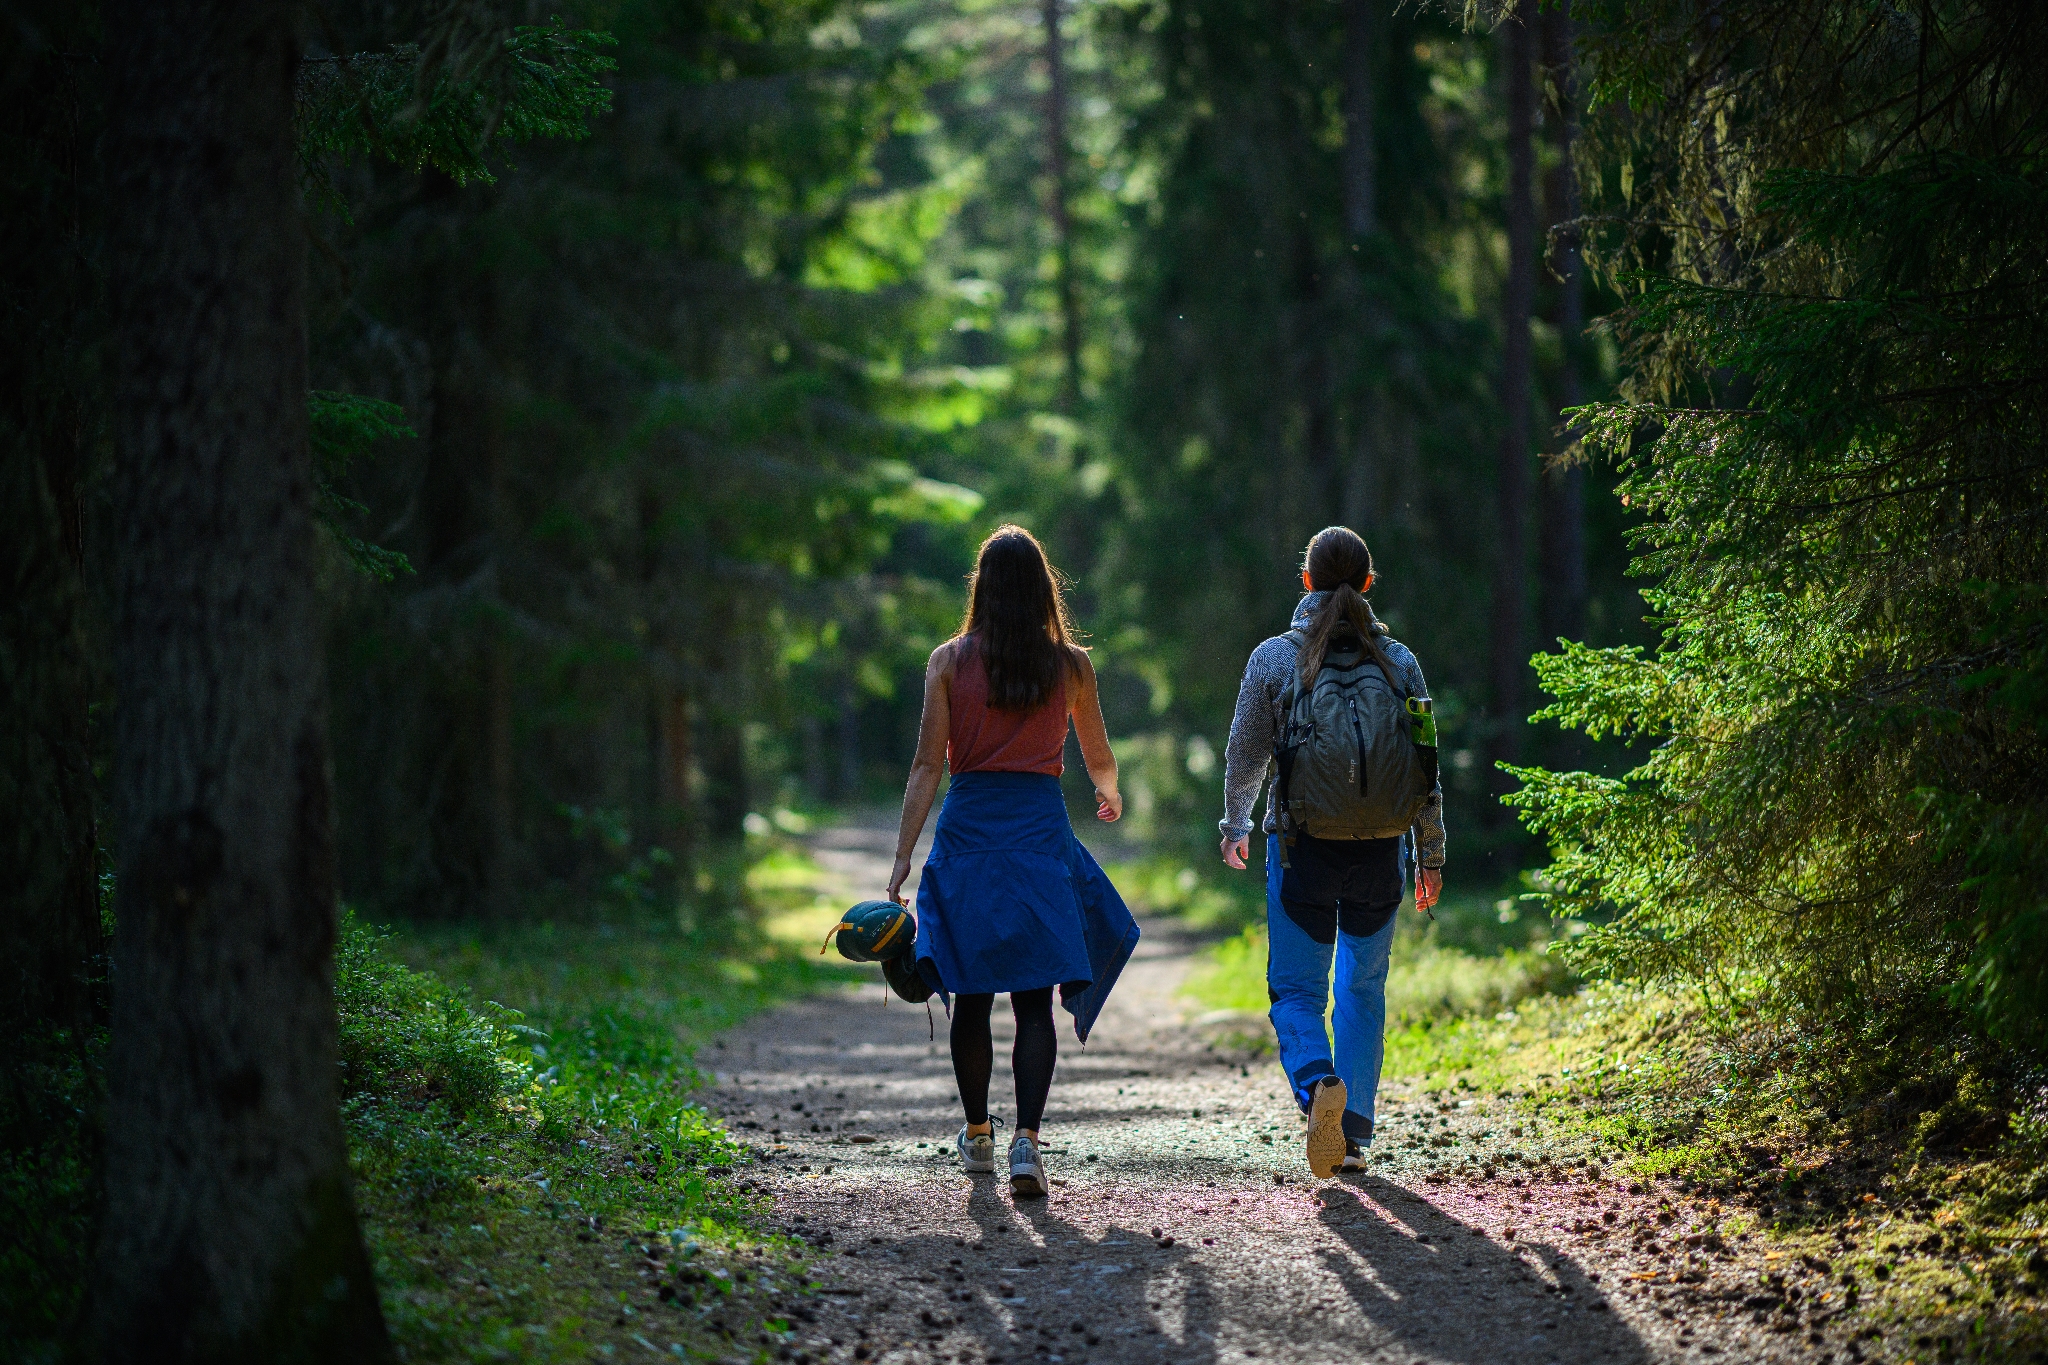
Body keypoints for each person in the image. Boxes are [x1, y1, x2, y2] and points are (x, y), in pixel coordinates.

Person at [887, 525, 1140, 1200]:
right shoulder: (1072, 667)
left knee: (972, 994)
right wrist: (1109, 793)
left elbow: (924, 766)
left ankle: (977, 1134)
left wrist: (904, 857)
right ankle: (1027, 1141)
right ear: (1042, 588)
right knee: (1034, 1000)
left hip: (969, 836)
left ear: (982, 588)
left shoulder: (947, 661)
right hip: (1037, 837)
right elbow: (1100, 758)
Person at [1218, 526, 1446, 1178]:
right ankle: (1351, 1136)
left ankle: (1318, 1083)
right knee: (1363, 988)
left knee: (1294, 990)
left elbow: (1245, 752)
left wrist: (1235, 822)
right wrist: (1431, 854)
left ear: (1305, 581)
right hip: (1381, 854)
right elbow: (1426, 765)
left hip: (1300, 851)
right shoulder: (1401, 662)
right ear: (1369, 584)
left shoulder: (1272, 658)